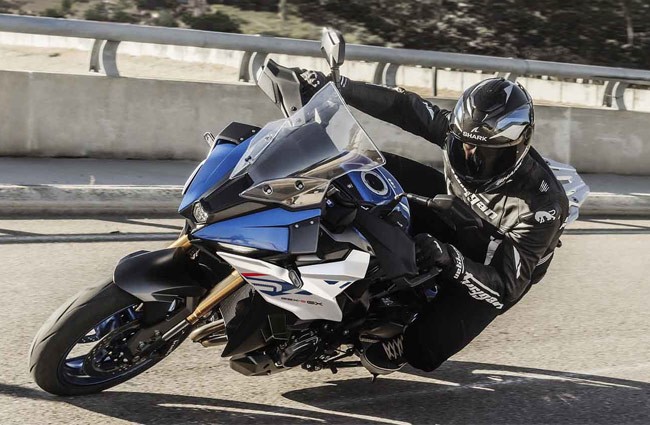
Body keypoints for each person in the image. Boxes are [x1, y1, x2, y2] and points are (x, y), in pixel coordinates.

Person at [300, 71, 570, 373]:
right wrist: (341, 87)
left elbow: (506, 286)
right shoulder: (459, 130)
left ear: (519, 148)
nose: (472, 158)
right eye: (464, 145)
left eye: (488, 154)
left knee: (424, 351)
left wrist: (453, 260)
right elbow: (406, 107)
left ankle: (406, 339)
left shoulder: (542, 207)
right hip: (454, 210)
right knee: (364, 169)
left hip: (495, 262)